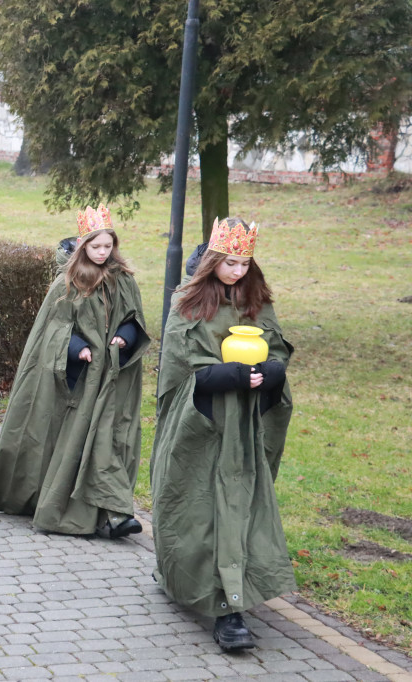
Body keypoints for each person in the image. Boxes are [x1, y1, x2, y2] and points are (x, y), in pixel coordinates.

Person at [150, 217, 294, 651]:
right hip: (202, 421)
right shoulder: (186, 302)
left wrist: (269, 372)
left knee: (237, 505)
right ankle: (193, 583)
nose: (238, 271)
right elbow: (176, 369)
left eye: (245, 263)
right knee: (198, 507)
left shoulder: (257, 301)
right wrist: (219, 376)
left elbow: (280, 349)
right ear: (214, 260)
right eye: (231, 262)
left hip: (245, 427)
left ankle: (230, 606)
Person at [0, 204, 149, 537]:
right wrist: (77, 347)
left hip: (112, 378)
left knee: (110, 439)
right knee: (73, 442)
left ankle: (113, 513)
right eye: (95, 246)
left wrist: (126, 335)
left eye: (108, 246)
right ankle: (73, 509)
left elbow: (135, 319)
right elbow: (52, 329)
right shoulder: (68, 283)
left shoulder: (124, 281)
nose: (102, 252)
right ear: (82, 245)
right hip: (79, 381)